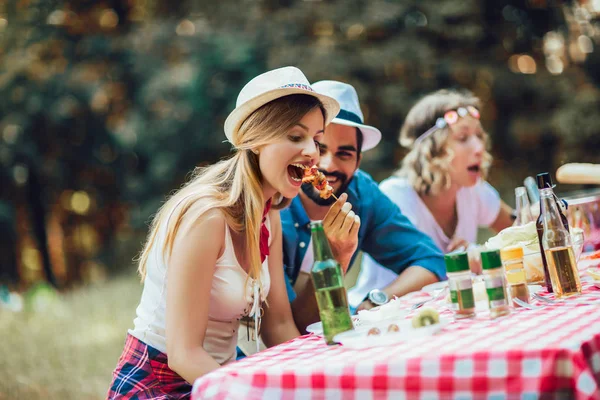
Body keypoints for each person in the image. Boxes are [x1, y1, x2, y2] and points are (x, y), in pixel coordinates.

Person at [107, 66, 340, 399]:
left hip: (220, 377)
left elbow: (278, 327)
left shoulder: (267, 215)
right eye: (295, 136)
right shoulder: (208, 217)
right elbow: (184, 354)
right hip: (160, 382)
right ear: (255, 141)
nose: (312, 152)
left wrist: (318, 379)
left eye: (316, 140)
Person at [280, 80, 446, 332]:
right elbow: (294, 324)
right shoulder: (276, 205)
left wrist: (376, 300)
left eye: (345, 153)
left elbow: (431, 260)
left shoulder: (361, 195)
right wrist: (336, 256)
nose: (328, 165)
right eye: (319, 148)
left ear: (358, 160)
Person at [354, 89, 514, 309]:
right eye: (463, 137)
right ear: (433, 150)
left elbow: (516, 233)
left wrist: (482, 252)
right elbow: (424, 271)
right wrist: (464, 262)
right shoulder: (396, 197)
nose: (479, 148)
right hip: (379, 314)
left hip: (441, 315)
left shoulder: (473, 189)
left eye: (479, 136)